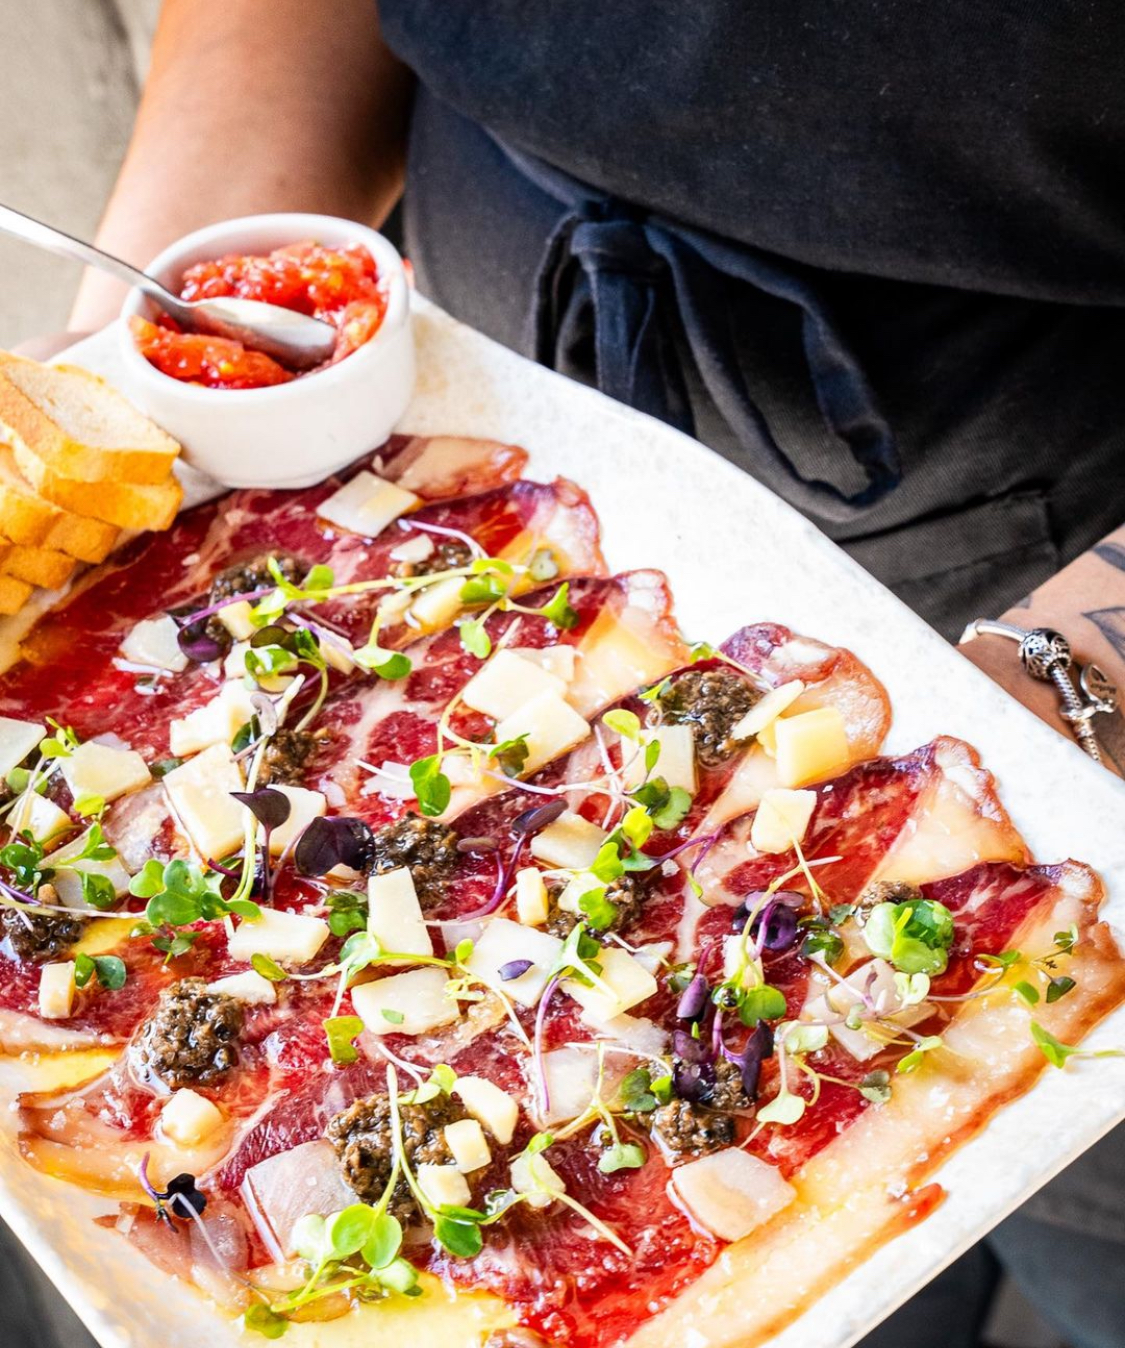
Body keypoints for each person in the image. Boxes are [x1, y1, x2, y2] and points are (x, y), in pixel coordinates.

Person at [39, 3, 1125, 1345]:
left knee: (1075, 1232)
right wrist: (131, 386)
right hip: (438, 431)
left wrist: (1087, 666)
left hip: (1063, 588)